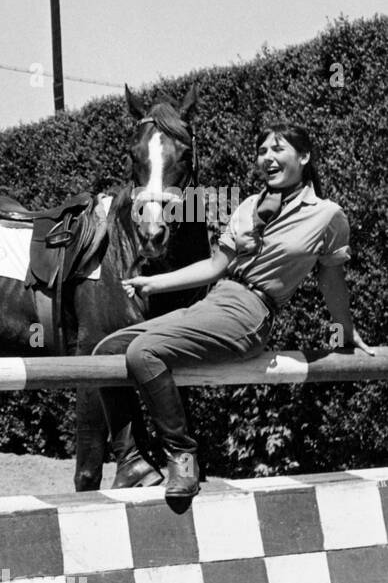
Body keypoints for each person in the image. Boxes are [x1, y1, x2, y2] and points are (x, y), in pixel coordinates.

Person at [94, 123, 373, 506]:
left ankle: (183, 456)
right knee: (106, 348)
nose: (267, 158)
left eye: (278, 149)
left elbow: (331, 280)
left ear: (304, 157)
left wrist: (344, 329)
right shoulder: (246, 206)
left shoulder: (327, 216)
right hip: (217, 300)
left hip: (251, 313)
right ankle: (131, 461)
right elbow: (214, 266)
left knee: (144, 352)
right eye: (262, 151)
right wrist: (154, 283)